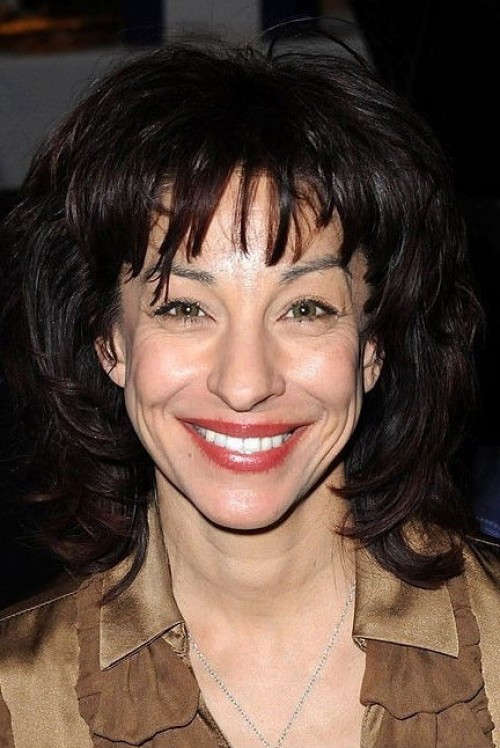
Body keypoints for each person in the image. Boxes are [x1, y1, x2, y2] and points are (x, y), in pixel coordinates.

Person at [0, 35, 499, 748]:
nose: (243, 384)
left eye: (305, 309)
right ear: (110, 342)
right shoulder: (18, 702)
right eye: (184, 308)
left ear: (374, 345)